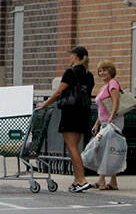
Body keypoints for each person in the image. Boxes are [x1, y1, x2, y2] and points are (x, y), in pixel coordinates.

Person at [36, 45, 94, 192]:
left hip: (71, 112)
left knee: (72, 147)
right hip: (84, 112)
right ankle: (76, 180)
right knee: (76, 147)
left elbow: (58, 93)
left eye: (72, 55)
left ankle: (82, 179)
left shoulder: (70, 72)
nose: (69, 57)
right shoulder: (89, 75)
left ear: (77, 57)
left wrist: (44, 104)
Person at [92, 60, 124, 190]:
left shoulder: (113, 84)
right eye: (100, 71)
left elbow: (116, 101)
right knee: (108, 150)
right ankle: (113, 182)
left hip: (113, 121)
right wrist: (96, 124)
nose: (102, 73)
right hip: (104, 122)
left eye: (105, 70)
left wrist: (111, 117)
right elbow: (102, 108)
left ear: (111, 71)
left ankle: (101, 180)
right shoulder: (103, 88)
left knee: (106, 149)